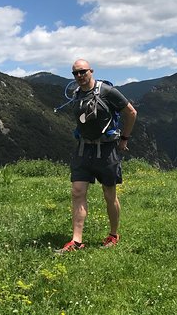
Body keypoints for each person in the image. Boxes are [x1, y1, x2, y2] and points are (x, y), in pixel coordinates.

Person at [56, 59, 137, 253]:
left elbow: (131, 112)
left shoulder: (108, 92)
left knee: (109, 194)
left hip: (107, 150)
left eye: (83, 72)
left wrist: (124, 138)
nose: (79, 76)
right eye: (75, 73)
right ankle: (76, 241)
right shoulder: (76, 94)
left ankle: (113, 234)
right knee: (77, 191)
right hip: (84, 149)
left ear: (91, 71)